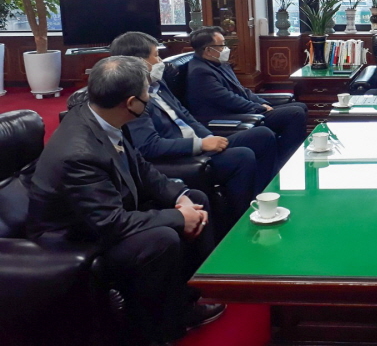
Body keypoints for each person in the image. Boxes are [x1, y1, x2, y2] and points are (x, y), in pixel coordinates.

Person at [27, 56, 225, 345]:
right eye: (146, 94)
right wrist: (179, 218)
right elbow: (110, 223)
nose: (150, 98)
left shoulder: (104, 116)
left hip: (104, 211)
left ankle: (185, 301)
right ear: (131, 102)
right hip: (72, 236)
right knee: (161, 238)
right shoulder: (79, 152)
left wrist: (180, 198)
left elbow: (142, 168)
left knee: (194, 197)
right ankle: (157, 333)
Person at [110, 31, 280, 220]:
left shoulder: (158, 84)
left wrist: (208, 137)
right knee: (242, 156)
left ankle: (264, 196)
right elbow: (149, 146)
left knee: (262, 135)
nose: (160, 61)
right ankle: (242, 219)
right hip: (181, 156)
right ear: (138, 62)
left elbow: (185, 115)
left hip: (200, 142)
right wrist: (200, 145)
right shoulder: (133, 100)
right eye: (156, 56)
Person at [185, 26, 308, 165]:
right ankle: (286, 162)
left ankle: (283, 156)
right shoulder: (200, 72)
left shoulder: (218, 63)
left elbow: (242, 90)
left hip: (242, 109)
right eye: (222, 45)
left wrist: (262, 103)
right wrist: (259, 108)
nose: (226, 49)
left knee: (300, 106)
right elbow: (228, 99)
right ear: (208, 50)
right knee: (295, 113)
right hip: (229, 116)